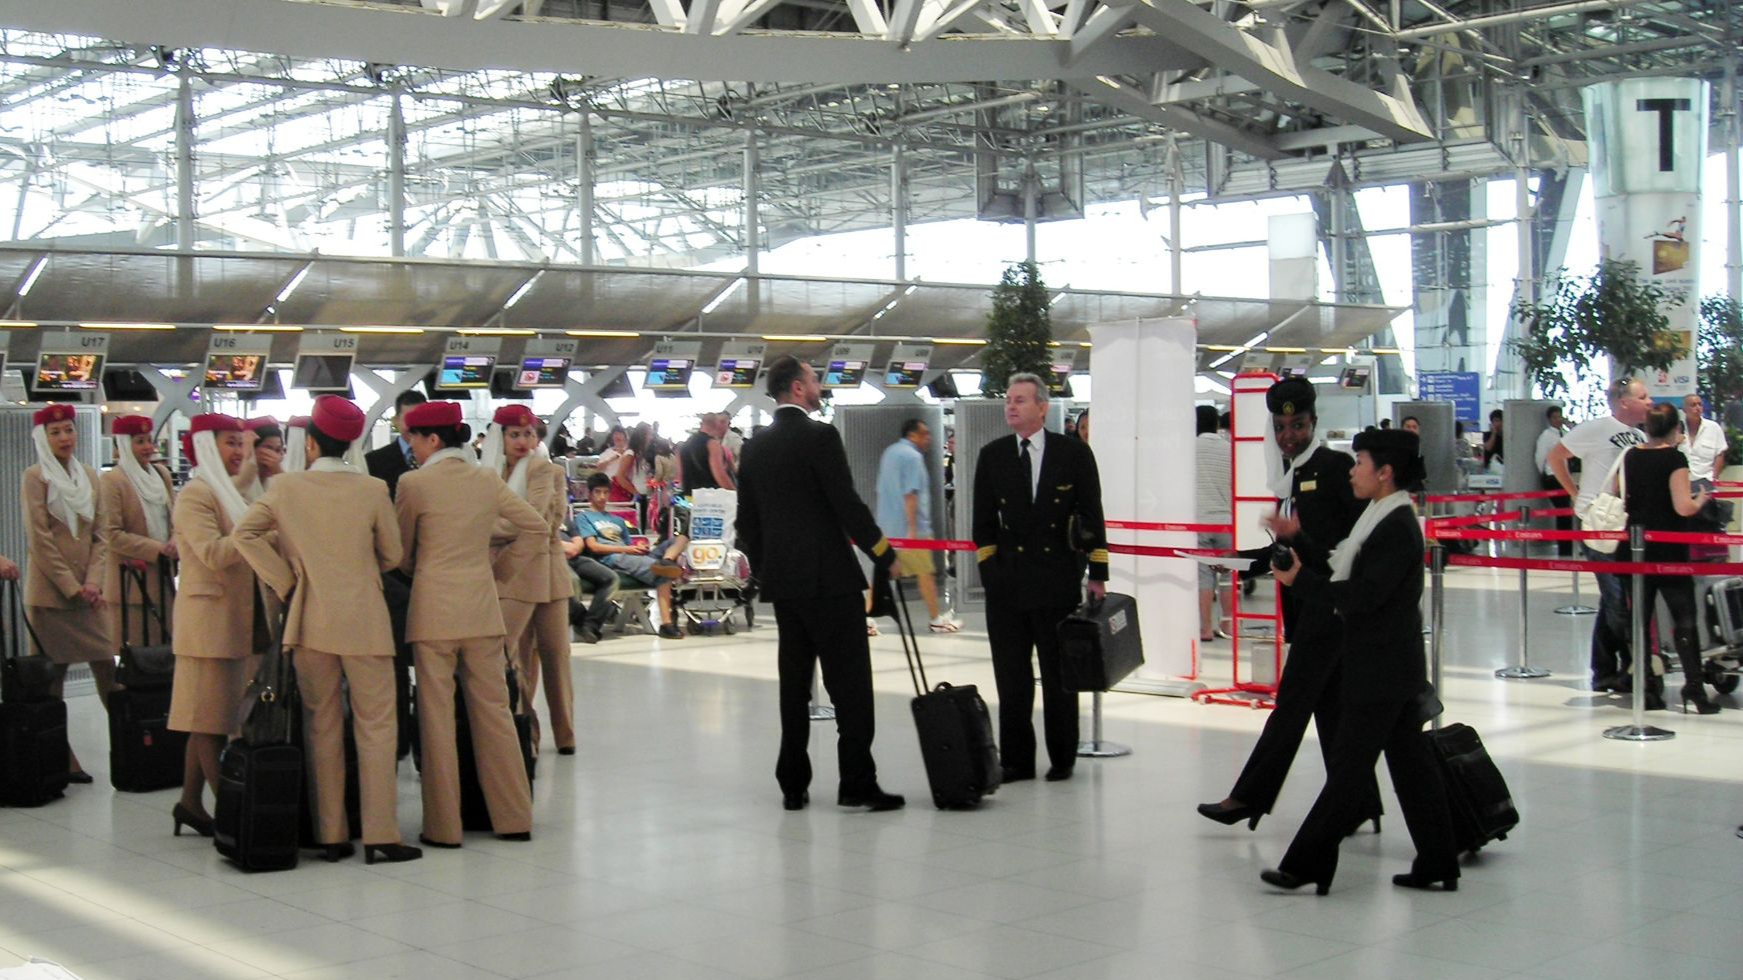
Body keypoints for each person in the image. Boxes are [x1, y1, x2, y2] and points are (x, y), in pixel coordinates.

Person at [1261, 428, 1459, 896]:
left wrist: (1299, 583)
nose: (1352, 472)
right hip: (1386, 665)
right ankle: (1439, 860)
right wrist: (1300, 540)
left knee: (1349, 769)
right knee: (1412, 769)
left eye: (1360, 463)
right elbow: (1342, 565)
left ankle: (1306, 863)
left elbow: (1365, 596)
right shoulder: (1379, 515)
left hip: (1382, 669)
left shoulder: (1396, 526)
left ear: (1384, 473)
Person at [232, 396, 422, 864]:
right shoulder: (374, 488)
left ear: (311, 444)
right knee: (376, 725)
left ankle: (331, 832)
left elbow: (244, 535)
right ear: (352, 443)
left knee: (322, 724)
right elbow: (394, 554)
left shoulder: (285, 488)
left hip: (310, 619)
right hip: (366, 620)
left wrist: (286, 578)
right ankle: (380, 834)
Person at [1199, 377, 1380, 832]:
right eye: (1280, 427)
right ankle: (1361, 800)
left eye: (1297, 425)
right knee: (1331, 712)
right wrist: (1237, 563)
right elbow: (1287, 551)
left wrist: (1296, 537)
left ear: (1313, 422)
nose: (1288, 435)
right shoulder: (1291, 476)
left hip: (1329, 611)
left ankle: (1247, 797)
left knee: (1292, 706)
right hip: (1305, 610)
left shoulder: (1335, 468)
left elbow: (1349, 545)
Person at [735, 355, 904, 812]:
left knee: (794, 686)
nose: (818, 384)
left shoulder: (754, 447)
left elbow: (745, 524)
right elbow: (845, 503)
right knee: (850, 686)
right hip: (830, 581)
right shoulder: (821, 436)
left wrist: (770, 569)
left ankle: (793, 784)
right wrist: (883, 553)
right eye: (812, 379)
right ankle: (856, 782)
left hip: (785, 588)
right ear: (795, 389)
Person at [396, 400, 546, 846]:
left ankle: (443, 827)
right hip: (482, 610)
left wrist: (417, 566)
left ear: (433, 439)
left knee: (437, 719)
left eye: (413, 440)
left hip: (433, 614)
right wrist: (497, 571)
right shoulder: (485, 479)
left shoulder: (413, 484)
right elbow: (535, 527)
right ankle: (514, 817)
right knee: (496, 714)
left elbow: (402, 552)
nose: (412, 449)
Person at [972, 372, 1108, 783]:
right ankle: (1016, 759)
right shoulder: (993, 455)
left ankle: (1063, 755)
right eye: (1008, 400)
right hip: (1008, 584)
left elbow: (1092, 515)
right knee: (1011, 677)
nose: (1010, 406)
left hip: (1056, 581)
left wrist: (1096, 573)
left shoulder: (1073, 454)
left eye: (1020, 400)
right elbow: (982, 524)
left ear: (1043, 407)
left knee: (1057, 676)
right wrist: (990, 572)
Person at [167, 413, 259, 836]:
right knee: (211, 725)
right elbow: (213, 553)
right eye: (229, 443)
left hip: (230, 620)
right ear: (205, 446)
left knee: (207, 716)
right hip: (208, 625)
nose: (239, 452)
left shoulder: (227, 493)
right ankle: (234, 815)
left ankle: (189, 803)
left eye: (241, 443)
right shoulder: (196, 495)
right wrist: (259, 535)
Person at [20, 404, 115, 785]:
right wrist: (73, 587)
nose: (65, 438)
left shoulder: (90, 476)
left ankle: (130, 741)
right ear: (43, 438)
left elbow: (101, 535)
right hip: (51, 597)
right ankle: (62, 757)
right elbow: (40, 540)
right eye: (56, 432)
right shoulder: (35, 477)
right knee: (51, 681)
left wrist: (92, 582)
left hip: (88, 594)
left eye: (69, 430)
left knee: (107, 668)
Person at [480, 405, 577, 756]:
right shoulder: (489, 472)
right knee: (516, 657)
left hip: (540, 571)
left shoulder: (544, 469)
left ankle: (565, 733)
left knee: (554, 655)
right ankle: (526, 729)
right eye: (514, 434)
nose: (523, 441)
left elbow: (537, 521)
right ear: (500, 437)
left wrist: (488, 531)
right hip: (515, 573)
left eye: (530, 434)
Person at [1547, 377, 1650, 692]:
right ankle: (1627, 663)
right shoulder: (1595, 428)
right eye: (1643, 396)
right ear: (1624, 402)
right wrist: (1575, 494)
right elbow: (1555, 457)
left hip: (1624, 524)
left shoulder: (1639, 436)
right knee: (1616, 599)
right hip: (1599, 522)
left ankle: (1605, 669)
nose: (1649, 402)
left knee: (1614, 598)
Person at [1618, 403, 1718, 713]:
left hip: (1635, 544)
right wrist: (1701, 496)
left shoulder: (1631, 455)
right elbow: (1682, 507)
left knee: (1640, 618)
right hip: (1668, 548)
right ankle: (1694, 688)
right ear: (1676, 429)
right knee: (1684, 618)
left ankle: (1647, 687)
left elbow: (1622, 496)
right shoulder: (1675, 459)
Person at [574, 473, 688, 639]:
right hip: (613, 558)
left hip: (627, 554)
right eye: (598, 492)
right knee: (663, 573)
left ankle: (666, 560)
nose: (602, 497)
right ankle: (666, 624)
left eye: (605, 492)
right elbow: (593, 547)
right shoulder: (584, 517)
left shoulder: (617, 520)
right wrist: (629, 549)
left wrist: (638, 547)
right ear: (590, 494)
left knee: (681, 538)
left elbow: (629, 545)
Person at [100, 415, 176, 649]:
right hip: (131, 584)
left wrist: (174, 540)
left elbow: (173, 518)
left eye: (149, 441)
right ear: (124, 444)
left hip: (164, 581)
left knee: (167, 654)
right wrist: (158, 549)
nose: (148, 448)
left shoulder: (161, 475)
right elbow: (112, 534)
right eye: (140, 442)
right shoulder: (112, 481)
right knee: (138, 658)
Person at [874, 419, 958, 632]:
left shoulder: (890, 453)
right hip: (912, 530)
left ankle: (867, 618)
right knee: (925, 574)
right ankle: (936, 619)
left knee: (881, 574)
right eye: (925, 434)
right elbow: (910, 494)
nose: (929, 438)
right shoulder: (913, 457)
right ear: (913, 435)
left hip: (887, 527)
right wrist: (912, 531)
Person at [1194, 405, 1232, 642]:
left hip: (1199, 521)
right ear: (1216, 425)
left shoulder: (1190, 449)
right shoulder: (1229, 450)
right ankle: (1227, 626)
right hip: (1227, 522)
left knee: (1203, 576)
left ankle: (1205, 628)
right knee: (1227, 575)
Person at [364, 389, 428, 500]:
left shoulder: (440, 458)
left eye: (420, 419)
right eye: (409, 419)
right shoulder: (373, 461)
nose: (415, 427)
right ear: (396, 420)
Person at [1534, 406, 1573, 557]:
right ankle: (1564, 548)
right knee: (1563, 512)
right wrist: (1543, 473)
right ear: (1549, 419)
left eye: (1559, 417)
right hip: (1552, 476)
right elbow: (1540, 456)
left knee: (1566, 513)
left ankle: (1568, 547)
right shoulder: (1546, 436)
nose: (1558, 420)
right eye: (1555, 417)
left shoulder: (1564, 434)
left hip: (1564, 476)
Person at [678, 413, 735, 494]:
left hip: (689, 495)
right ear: (716, 424)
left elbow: (679, 474)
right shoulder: (712, 444)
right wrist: (734, 493)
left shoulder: (686, 444)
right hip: (710, 498)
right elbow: (719, 474)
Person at [1681, 393, 1727, 485]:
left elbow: (1720, 454)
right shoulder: (1676, 428)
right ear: (1684, 409)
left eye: (1700, 404)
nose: (1697, 408)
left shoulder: (1713, 427)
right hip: (1682, 482)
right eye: (1693, 405)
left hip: (1706, 482)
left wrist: (1714, 478)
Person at [236, 417, 284, 503]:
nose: (274, 456)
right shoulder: (237, 479)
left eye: (278, 450)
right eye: (268, 448)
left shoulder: (273, 480)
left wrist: (279, 473)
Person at [596, 426, 637, 504]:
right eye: (615, 434)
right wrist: (615, 456)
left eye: (620, 434)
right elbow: (598, 467)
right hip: (610, 487)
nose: (617, 436)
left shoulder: (629, 452)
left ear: (625, 437)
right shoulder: (607, 452)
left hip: (626, 487)